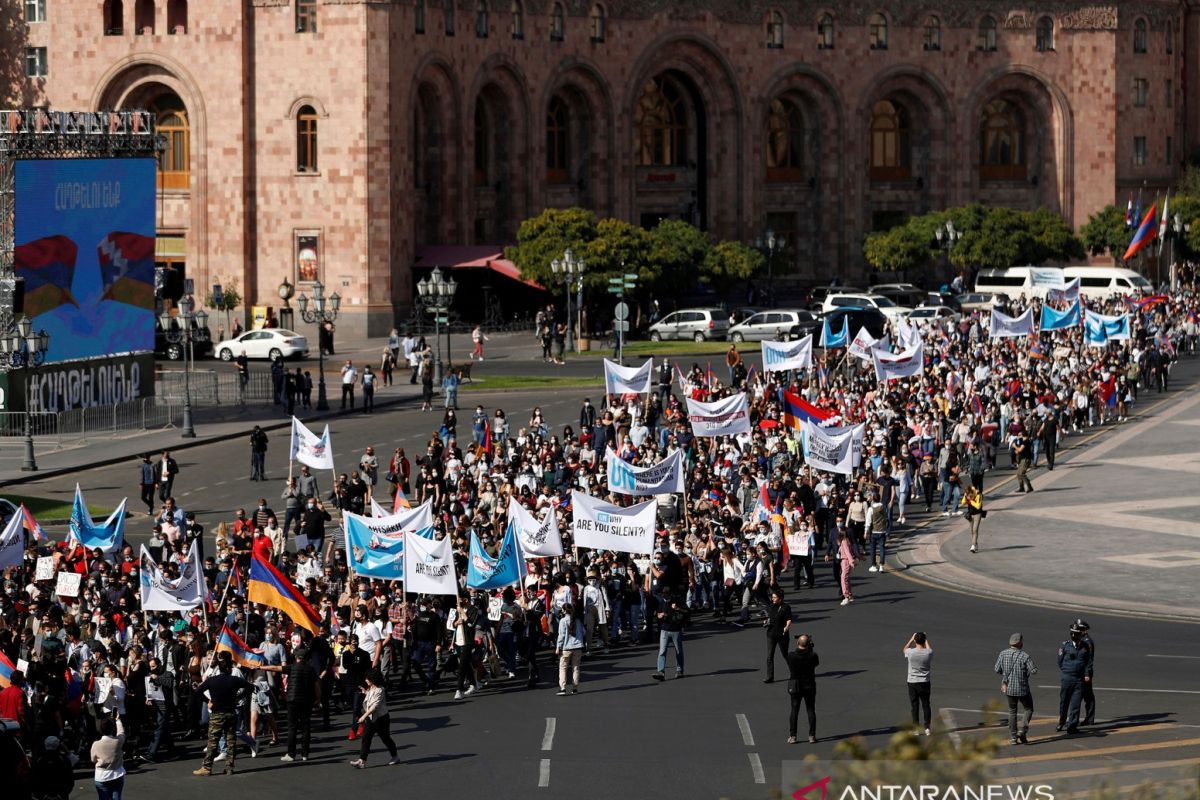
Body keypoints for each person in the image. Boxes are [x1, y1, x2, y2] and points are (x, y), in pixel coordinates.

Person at [192, 652, 254, 776]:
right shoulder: (235, 680)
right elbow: (250, 687)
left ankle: (207, 767)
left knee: (213, 742)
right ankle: (230, 767)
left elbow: (198, 692)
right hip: (231, 712)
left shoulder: (212, 680)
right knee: (231, 741)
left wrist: (209, 701)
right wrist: (238, 697)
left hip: (217, 714)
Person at [349, 668, 400, 768]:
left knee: (385, 738)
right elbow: (371, 698)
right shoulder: (371, 688)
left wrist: (363, 716)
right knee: (366, 737)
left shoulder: (380, 690)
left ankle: (395, 756)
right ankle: (361, 761)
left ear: (373, 679)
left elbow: (374, 706)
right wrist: (365, 692)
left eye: (368, 679)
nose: (366, 680)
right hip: (371, 718)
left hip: (381, 719)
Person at [995, 633, 1038, 745]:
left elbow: (997, 669)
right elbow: (1034, 671)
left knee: (1012, 711)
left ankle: (1013, 737)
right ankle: (1022, 730)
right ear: (1019, 643)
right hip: (1022, 689)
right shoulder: (1024, 656)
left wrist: (1005, 674)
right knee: (1028, 709)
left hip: (1009, 688)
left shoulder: (1003, 654)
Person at [278, 648, 319, 763]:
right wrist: (318, 699)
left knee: (292, 728)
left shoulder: (292, 667)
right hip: (307, 700)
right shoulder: (311, 669)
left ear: (297, 657)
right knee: (306, 727)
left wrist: (261, 667)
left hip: (292, 700)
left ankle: (291, 754)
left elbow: (276, 668)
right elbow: (317, 686)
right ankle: (305, 754)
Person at [1056, 622, 1092, 734]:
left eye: (1076, 634)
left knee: (1075, 704)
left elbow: (1088, 662)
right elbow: (1060, 661)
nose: (1073, 636)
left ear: (1080, 634)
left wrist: (1086, 674)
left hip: (1078, 680)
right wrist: (1067, 670)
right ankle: (1061, 722)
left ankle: (1072, 726)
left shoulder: (1085, 647)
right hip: (1067, 678)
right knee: (1064, 702)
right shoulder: (1065, 645)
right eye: (1072, 634)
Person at [786, 633, 819, 744]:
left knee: (794, 710)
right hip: (809, 685)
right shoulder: (813, 655)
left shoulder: (791, 655)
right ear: (808, 644)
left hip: (795, 686)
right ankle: (812, 735)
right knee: (810, 710)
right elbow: (816, 664)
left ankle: (793, 736)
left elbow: (790, 662)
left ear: (797, 643)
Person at [651, 586, 688, 681]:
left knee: (678, 651)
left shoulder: (678, 600)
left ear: (670, 595)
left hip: (676, 630)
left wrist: (677, 608)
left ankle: (679, 670)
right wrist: (659, 615)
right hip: (664, 630)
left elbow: (687, 612)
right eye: (663, 595)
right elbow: (657, 613)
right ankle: (661, 672)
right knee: (662, 651)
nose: (664, 598)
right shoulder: (662, 602)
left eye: (666, 596)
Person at [903, 632, 933, 735]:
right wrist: (926, 639)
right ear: (924, 641)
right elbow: (929, 649)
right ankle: (927, 728)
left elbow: (904, 649)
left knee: (914, 706)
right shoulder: (928, 653)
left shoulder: (910, 652)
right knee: (926, 705)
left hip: (912, 682)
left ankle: (915, 729)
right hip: (925, 682)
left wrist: (911, 639)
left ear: (915, 640)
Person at [91, 715, 126, 800]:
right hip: (117, 774)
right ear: (112, 729)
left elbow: (93, 759)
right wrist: (118, 720)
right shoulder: (118, 741)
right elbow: (121, 733)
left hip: (101, 776)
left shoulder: (96, 744)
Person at [555, 601, 585, 695]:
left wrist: (558, 647)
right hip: (578, 647)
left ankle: (563, 688)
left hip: (566, 648)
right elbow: (583, 632)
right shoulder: (578, 620)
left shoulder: (563, 621)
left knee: (563, 668)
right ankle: (575, 688)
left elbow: (561, 636)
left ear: (564, 611)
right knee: (576, 668)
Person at [763, 587, 792, 683]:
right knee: (769, 656)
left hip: (782, 635)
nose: (772, 599)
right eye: (772, 597)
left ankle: (794, 672)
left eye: (774, 597)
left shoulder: (786, 607)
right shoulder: (771, 606)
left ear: (780, 598)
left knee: (785, 654)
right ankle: (770, 676)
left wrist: (787, 626)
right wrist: (766, 621)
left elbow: (789, 619)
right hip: (771, 634)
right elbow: (770, 618)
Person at [1076, 619, 1096, 726]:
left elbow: (1089, 659)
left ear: (1084, 630)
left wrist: (1087, 674)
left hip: (1085, 673)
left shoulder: (1087, 641)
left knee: (1086, 696)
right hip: (1080, 671)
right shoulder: (1080, 639)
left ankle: (1089, 718)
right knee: (1086, 695)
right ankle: (1089, 718)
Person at [963, 485, 985, 553]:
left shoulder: (978, 495)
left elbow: (978, 506)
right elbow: (963, 502)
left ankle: (973, 546)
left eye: (970, 495)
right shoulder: (967, 494)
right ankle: (975, 543)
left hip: (978, 514)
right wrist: (965, 497)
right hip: (970, 514)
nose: (969, 496)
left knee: (975, 529)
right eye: (968, 494)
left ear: (972, 492)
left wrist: (971, 500)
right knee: (971, 530)